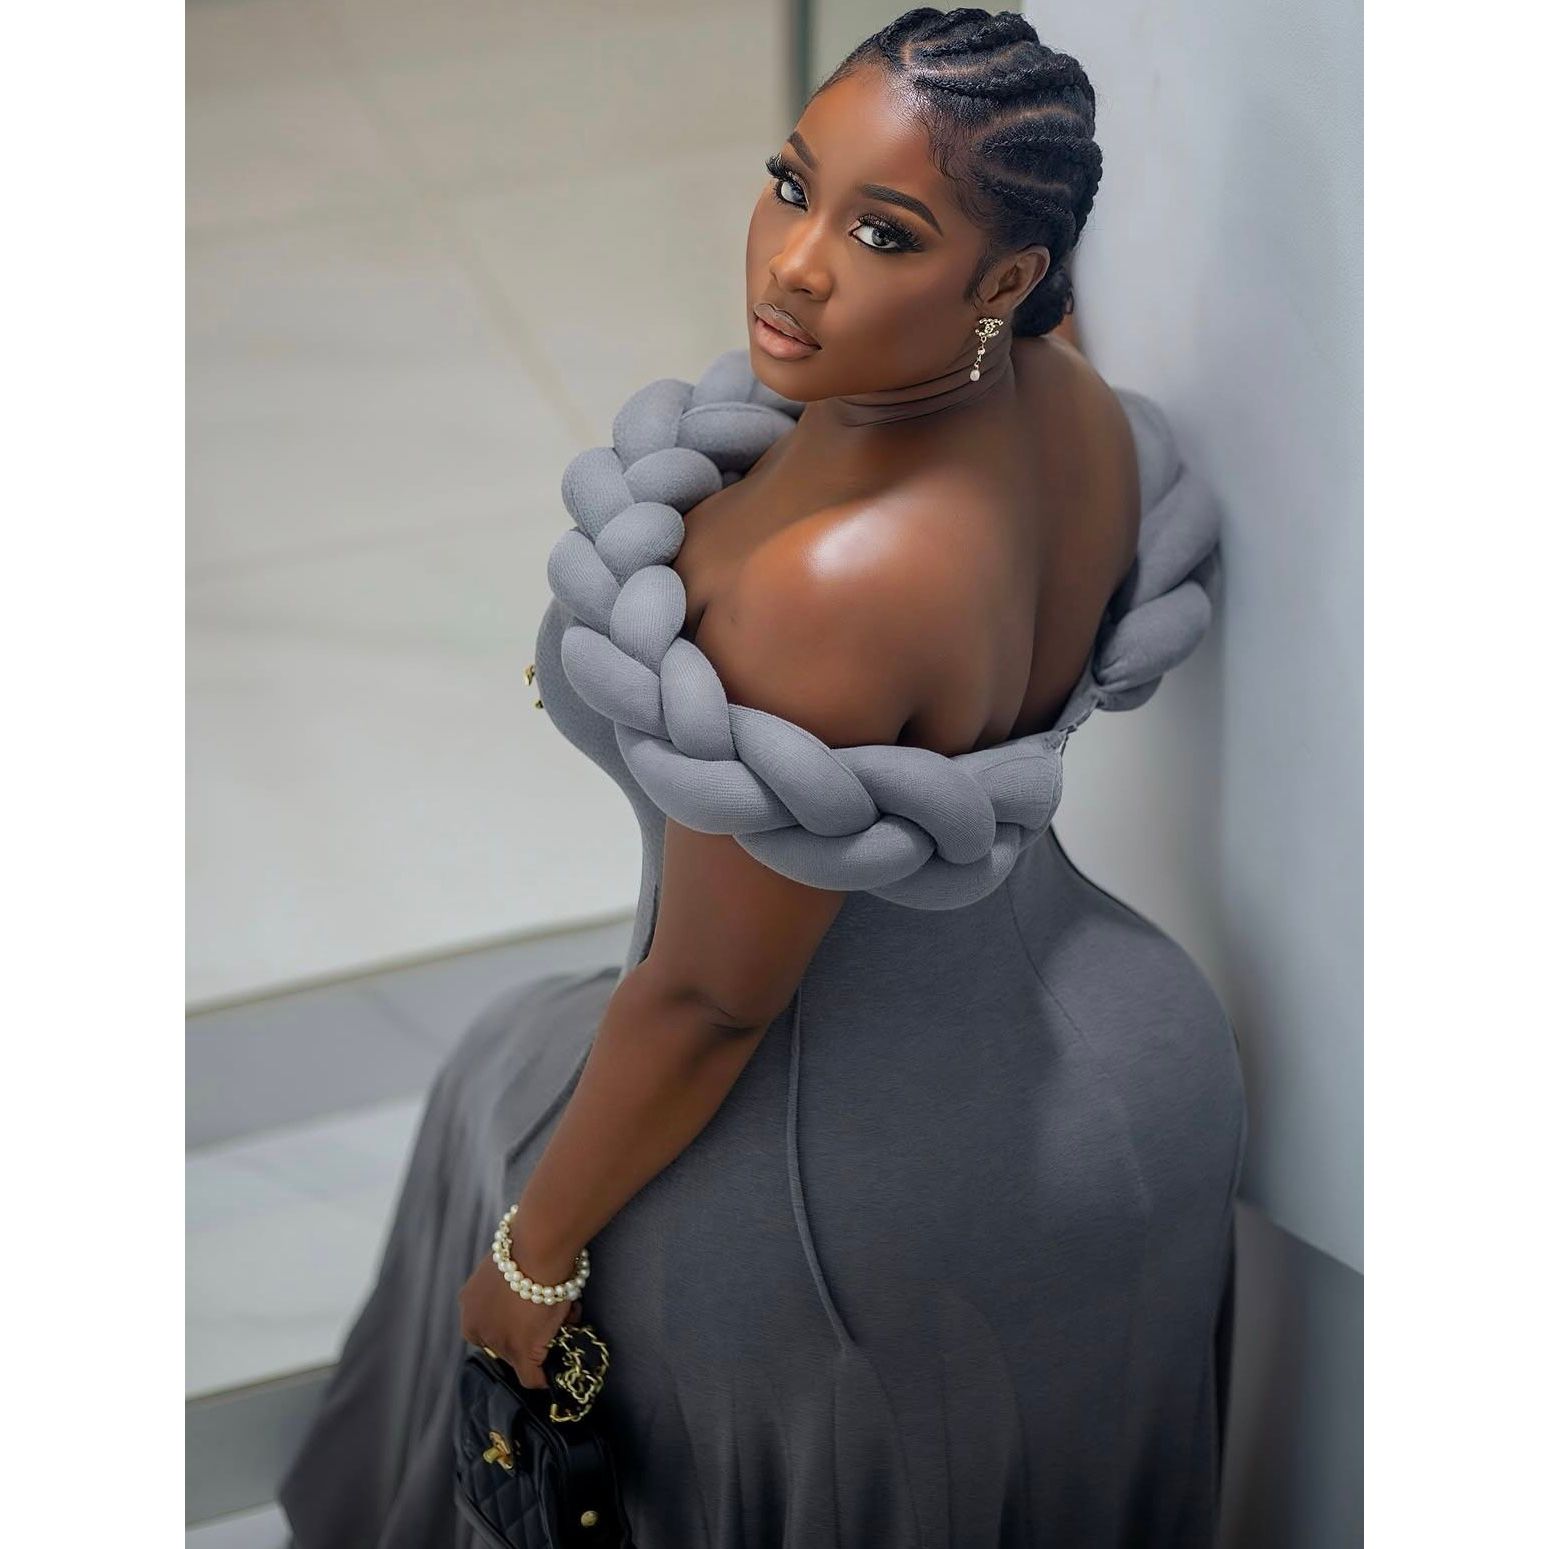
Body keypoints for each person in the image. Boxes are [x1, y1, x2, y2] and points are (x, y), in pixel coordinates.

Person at [278, 9, 1247, 1546]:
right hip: (1138, 1059)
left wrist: (527, 1261)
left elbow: (709, 1003)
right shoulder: (1068, 396)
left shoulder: (833, 587)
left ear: (1005, 279)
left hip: (836, 1178)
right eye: (792, 185)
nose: (795, 264)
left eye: (883, 232)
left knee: (493, 1082)